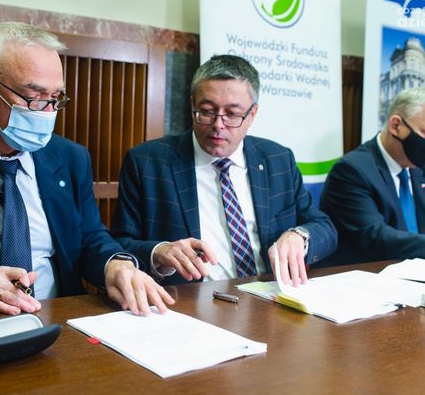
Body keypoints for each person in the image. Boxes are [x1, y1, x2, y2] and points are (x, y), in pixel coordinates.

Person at [0, 22, 173, 316]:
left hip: (59, 321)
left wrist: (115, 265)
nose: (48, 113)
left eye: (56, 98)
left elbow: (89, 238)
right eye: (34, 97)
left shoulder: (70, 158)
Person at [111, 54, 337, 286]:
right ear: (192, 105)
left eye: (232, 114)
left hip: (268, 294)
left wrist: (300, 236)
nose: (218, 125)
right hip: (189, 299)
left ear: (252, 114)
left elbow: (324, 228)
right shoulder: (147, 162)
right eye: (207, 111)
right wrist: (159, 251)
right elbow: (120, 244)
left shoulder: (277, 160)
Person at [320, 87, 425, 266]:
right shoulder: (352, 171)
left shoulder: (418, 168)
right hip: (366, 274)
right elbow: (376, 238)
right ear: (396, 126)